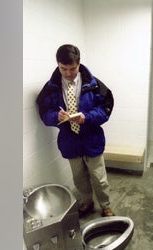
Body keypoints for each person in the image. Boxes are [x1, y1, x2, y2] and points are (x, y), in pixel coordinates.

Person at [36, 44, 115, 217]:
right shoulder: (50, 88)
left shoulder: (94, 84)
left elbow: (106, 107)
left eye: (72, 69)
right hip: (69, 141)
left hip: (92, 138)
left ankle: (105, 205)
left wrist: (87, 117)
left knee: (99, 178)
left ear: (79, 64)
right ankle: (87, 201)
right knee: (79, 179)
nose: (68, 73)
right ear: (58, 64)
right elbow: (44, 112)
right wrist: (56, 116)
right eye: (63, 69)